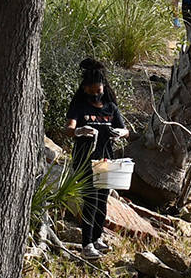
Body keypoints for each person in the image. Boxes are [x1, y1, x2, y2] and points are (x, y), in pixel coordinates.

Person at [64, 58, 129, 260]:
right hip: (84, 160)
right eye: (91, 92)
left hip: (105, 160)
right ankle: (86, 244)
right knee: (90, 201)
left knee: (102, 201)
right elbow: (69, 129)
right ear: (84, 89)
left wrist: (120, 132)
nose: (95, 95)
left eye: (98, 91)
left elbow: (126, 130)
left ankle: (98, 238)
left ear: (103, 87)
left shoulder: (110, 108)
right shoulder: (79, 107)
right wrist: (79, 131)